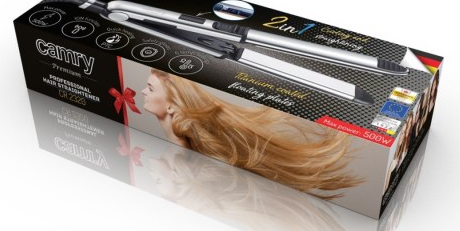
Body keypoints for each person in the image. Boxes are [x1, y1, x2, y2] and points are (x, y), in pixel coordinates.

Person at [141, 69, 362, 198]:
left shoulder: (181, 158)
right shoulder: (179, 156)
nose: (143, 91)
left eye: (150, 89)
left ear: (171, 106)